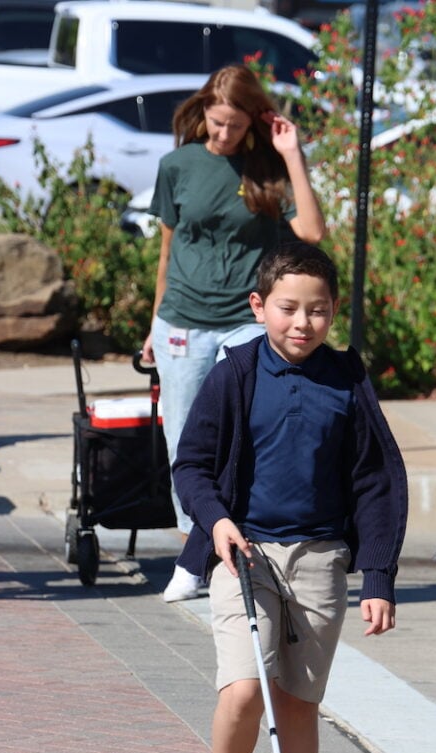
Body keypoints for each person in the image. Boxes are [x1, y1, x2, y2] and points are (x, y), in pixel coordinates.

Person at [172, 241, 408, 753]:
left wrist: (379, 576)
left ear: (333, 313)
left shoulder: (348, 379)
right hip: (244, 554)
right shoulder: (237, 373)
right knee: (245, 691)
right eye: (287, 309)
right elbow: (191, 464)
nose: (302, 323)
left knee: (298, 703)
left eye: (319, 310)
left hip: (321, 560)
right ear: (258, 306)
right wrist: (216, 520)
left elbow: (377, 481)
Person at [141, 64, 326, 603]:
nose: (223, 134)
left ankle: (227, 547)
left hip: (245, 320)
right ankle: (193, 555)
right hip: (180, 320)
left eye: (235, 126)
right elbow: (167, 252)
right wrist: (153, 323)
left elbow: (312, 233)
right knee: (185, 438)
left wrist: (291, 153)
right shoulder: (177, 165)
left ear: (255, 121)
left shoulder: (265, 169)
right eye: (216, 122)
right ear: (203, 113)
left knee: (246, 431)